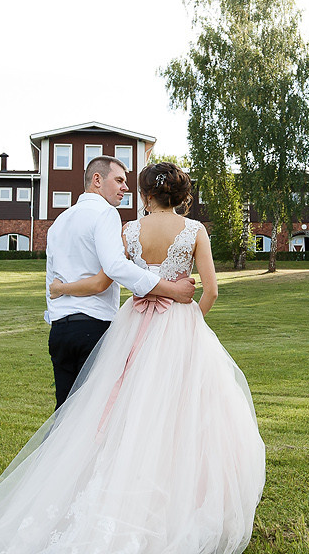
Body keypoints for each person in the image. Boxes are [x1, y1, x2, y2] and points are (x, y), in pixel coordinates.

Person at [0, 160, 266, 554]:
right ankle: (181, 506)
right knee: (185, 414)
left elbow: (103, 278)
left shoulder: (129, 231)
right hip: (179, 325)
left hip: (132, 326)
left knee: (126, 416)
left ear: (144, 195)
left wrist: (61, 290)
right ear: (180, 194)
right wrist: (190, 321)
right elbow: (209, 290)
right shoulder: (194, 231)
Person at [41, 156, 194, 408]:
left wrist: (58, 304)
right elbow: (115, 267)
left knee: (64, 416)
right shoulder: (105, 213)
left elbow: (52, 279)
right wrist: (172, 290)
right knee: (92, 415)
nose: (125, 187)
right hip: (93, 329)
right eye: (120, 180)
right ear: (97, 180)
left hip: (60, 331)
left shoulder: (59, 222)